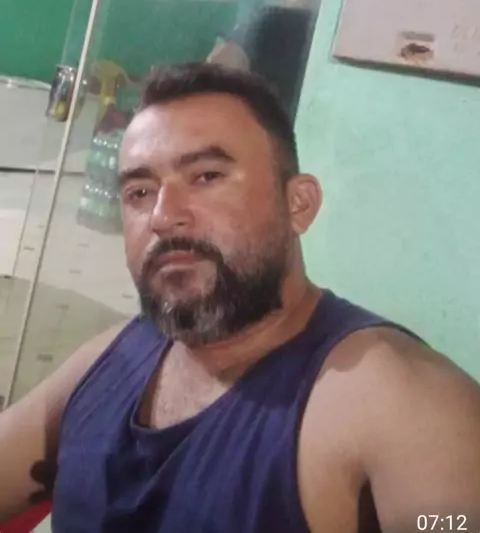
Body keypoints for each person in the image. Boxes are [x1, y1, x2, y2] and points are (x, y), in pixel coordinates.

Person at [0, 63, 479, 532]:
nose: (163, 216)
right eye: (140, 192)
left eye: (207, 176)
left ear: (299, 204)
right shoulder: (113, 358)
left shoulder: (400, 403)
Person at [207, 0, 315, 119]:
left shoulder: (311, 44)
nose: (296, 18)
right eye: (290, 11)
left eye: (303, 12)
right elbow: (221, 58)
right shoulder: (267, 23)